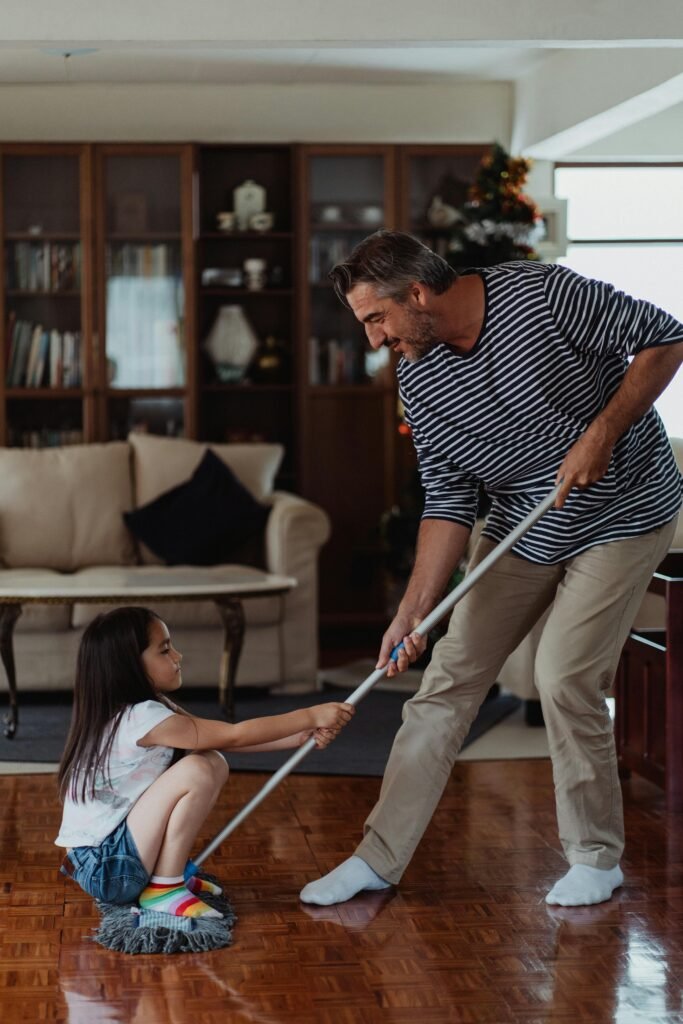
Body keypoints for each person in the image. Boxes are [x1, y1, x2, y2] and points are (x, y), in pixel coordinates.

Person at [300, 230, 683, 909]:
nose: (374, 341)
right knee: (444, 682)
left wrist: (601, 433)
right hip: (521, 529)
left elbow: (665, 337)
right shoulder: (419, 375)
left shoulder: (541, 295)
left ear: (416, 294)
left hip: (622, 514)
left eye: (375, 320)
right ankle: (377, 859)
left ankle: (595, 858)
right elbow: (448, 500)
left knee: (563, 675)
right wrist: (412, 611)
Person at [57, 606, 353, 920]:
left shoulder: (143, 710)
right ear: (129, 665)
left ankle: (162, 875)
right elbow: (235, 735)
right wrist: (308, 715)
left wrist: (300, 735)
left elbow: (222, 739)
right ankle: (164, 887)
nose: (178, 656)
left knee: (212, 760)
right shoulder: (140, 717)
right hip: (108, 867)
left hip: (110, 858)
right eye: (165, 649)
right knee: (197, 769)